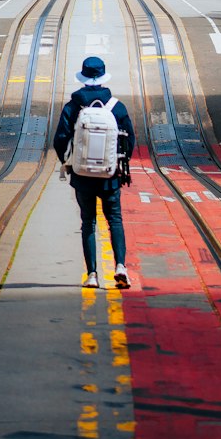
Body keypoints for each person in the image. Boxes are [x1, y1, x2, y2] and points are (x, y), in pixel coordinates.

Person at [54, 56, 135, 290]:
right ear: (103, 77)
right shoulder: (116, 107)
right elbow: (129, 141)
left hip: (82, 177)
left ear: (83, 77)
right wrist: (119, 164)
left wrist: (70, 164)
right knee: (115, 220)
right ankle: (120, 266)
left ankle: (92, 274)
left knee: (88, 222)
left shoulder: (72, 107)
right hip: (110, 177)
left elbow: (60, 140)